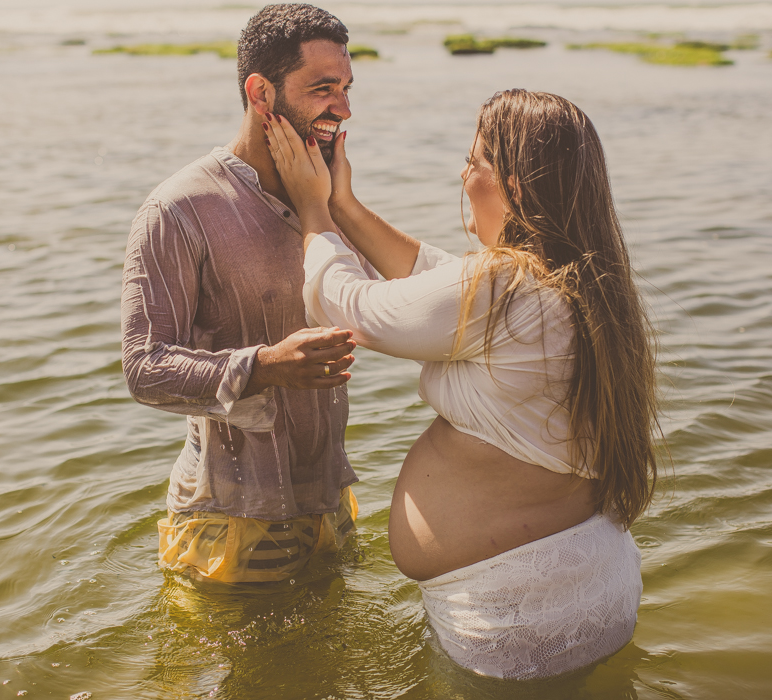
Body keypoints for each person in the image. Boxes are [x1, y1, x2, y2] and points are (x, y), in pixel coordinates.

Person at [263, 89, 661, 678]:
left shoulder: (511, 290)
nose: (462, 172)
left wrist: (313, 210)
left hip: (518, 622)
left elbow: (352, 306)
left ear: (516, 186)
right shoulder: (574, 285)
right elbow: (437, 282)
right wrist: (344, 205)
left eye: (475, 162)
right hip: (583, 587)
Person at [120, 4, 375, 584]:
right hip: (227, 522)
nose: (344, 109)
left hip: (331, 504)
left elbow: (383, 305)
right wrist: (264, 366)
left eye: (347, 88)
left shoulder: (324, 194)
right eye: (323, 89)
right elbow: (144, 368)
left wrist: (338, 206)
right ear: (261, 94)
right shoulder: (178, 210)